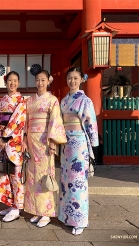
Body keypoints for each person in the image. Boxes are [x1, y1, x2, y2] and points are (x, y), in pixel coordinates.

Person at [58, 67, 99, 236]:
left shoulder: (85, 100)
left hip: (79, 143)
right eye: (69, 78)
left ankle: (80, 220)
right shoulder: (64, 101)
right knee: (66, 182)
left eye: (75, 78)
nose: (72, 81)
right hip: (66, 143)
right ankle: (67, 216)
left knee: (78, 183)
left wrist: (93, 143)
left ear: (81, 79)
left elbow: (90, 122)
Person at [23, 70, 67, 228]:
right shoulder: (30, 100)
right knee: (32, 175)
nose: (40, 83)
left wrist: (53, 142)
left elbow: (55, 121)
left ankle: (46, 213)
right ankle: (36, 209)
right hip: (31, 141)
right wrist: (24, 139)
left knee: (44, 175)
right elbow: (26, 121)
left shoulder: (52, 100)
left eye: (43, 80)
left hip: (44, 141)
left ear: (49, 81)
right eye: (37, 80)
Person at [0, 71, 26, 222]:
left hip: (14, 140)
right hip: (3, 141)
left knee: (16, 174)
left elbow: (19, 119)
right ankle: (10, 204)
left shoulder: (22, 100)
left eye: (15, 81)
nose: (12, 83)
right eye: (10, 80)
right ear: (6, 83)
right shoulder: (3, 100)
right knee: (5, 173)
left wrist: (5, 136)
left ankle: (17, 207)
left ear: (18, 83)